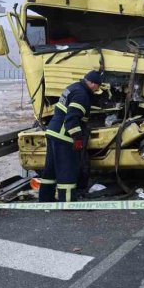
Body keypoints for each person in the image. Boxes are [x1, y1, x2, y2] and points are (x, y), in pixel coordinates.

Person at [40, 70, 102, 202]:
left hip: (52, 132)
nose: (98, 89)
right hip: (64, 136)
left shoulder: (73, 87)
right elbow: (71, 120)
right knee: (67, 170)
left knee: (50, 170)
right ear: (91, 83)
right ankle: (67, 202)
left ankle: (45, 200)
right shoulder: (82, 95)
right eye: (97, 86)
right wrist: (78, 138)